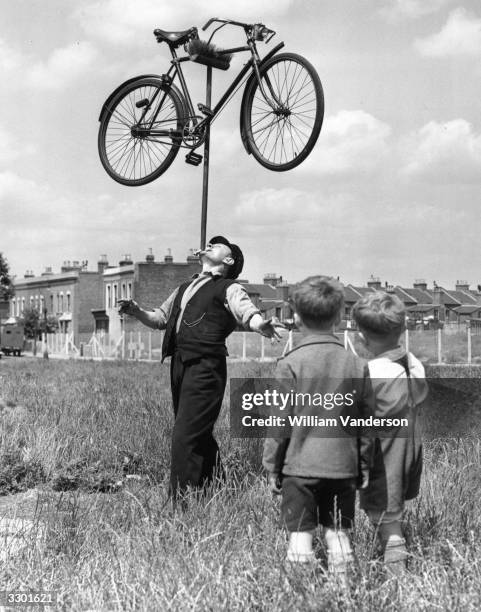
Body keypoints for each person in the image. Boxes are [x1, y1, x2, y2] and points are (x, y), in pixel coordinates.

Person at [118, 236, 282, 500]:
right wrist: (136, 311)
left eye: (217, 245)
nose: (210, 245)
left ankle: (180, 505)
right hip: (180, 364)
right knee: (197, 433)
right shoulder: (185, 287)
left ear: (228, 260)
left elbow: (245, 309)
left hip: (206, 367)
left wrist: (258, 323)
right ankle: (217, 490)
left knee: (184, 436)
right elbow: (161, 318)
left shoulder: (229, 287)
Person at [262, 276, 373, 576]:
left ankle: (299, 597)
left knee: (299, 538)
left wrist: (273, 465)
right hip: (342, 468)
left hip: (299, 469)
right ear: (339, 316)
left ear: (295, 318)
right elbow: (365, 423)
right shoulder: (357, 365)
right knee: (339, 535)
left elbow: (279, 424)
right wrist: (363, 464)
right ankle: (344, 595)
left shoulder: (290, 364)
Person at [352, 291, 429, 573]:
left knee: (389, 524)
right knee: (389, 516)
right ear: (404, 328)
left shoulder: (371, 372)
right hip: (409, 452)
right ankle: (385, 561)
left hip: (384, 460)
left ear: (361, 337)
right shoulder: (411, 363)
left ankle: (398, 584)